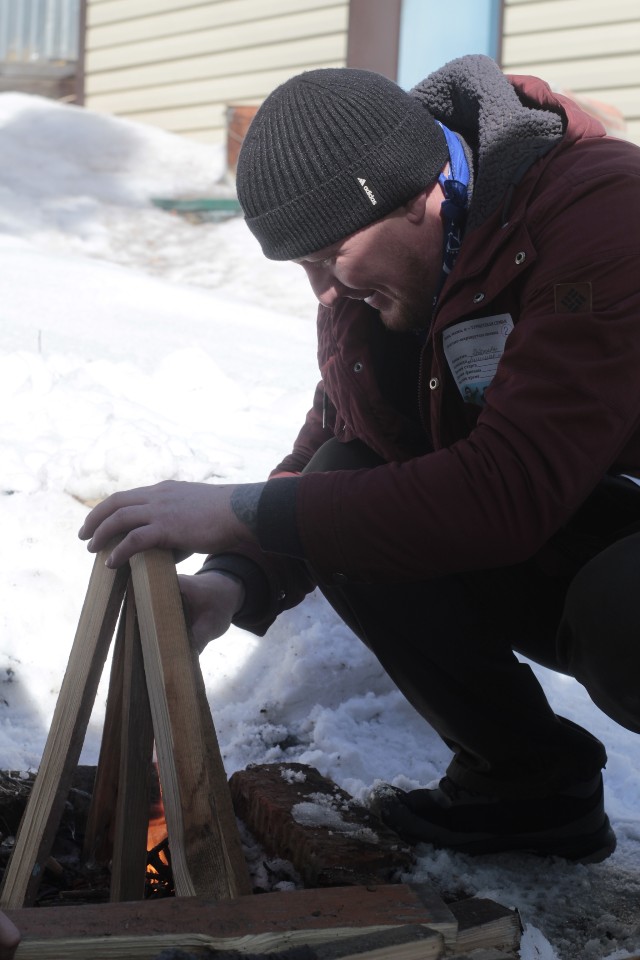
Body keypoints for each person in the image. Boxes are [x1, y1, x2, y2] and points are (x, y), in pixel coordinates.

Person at [79, 54, 640, 863]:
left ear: (415, 196)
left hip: (597, 535)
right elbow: (338, 440)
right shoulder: (376, 276)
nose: (323, 292)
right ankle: (527, 787)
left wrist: (236, 510)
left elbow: (507, 491)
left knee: (626, 605)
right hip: (565, 515)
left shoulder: (602, 213)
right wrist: (234, 578)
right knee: (342, 475)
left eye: (329, 255)